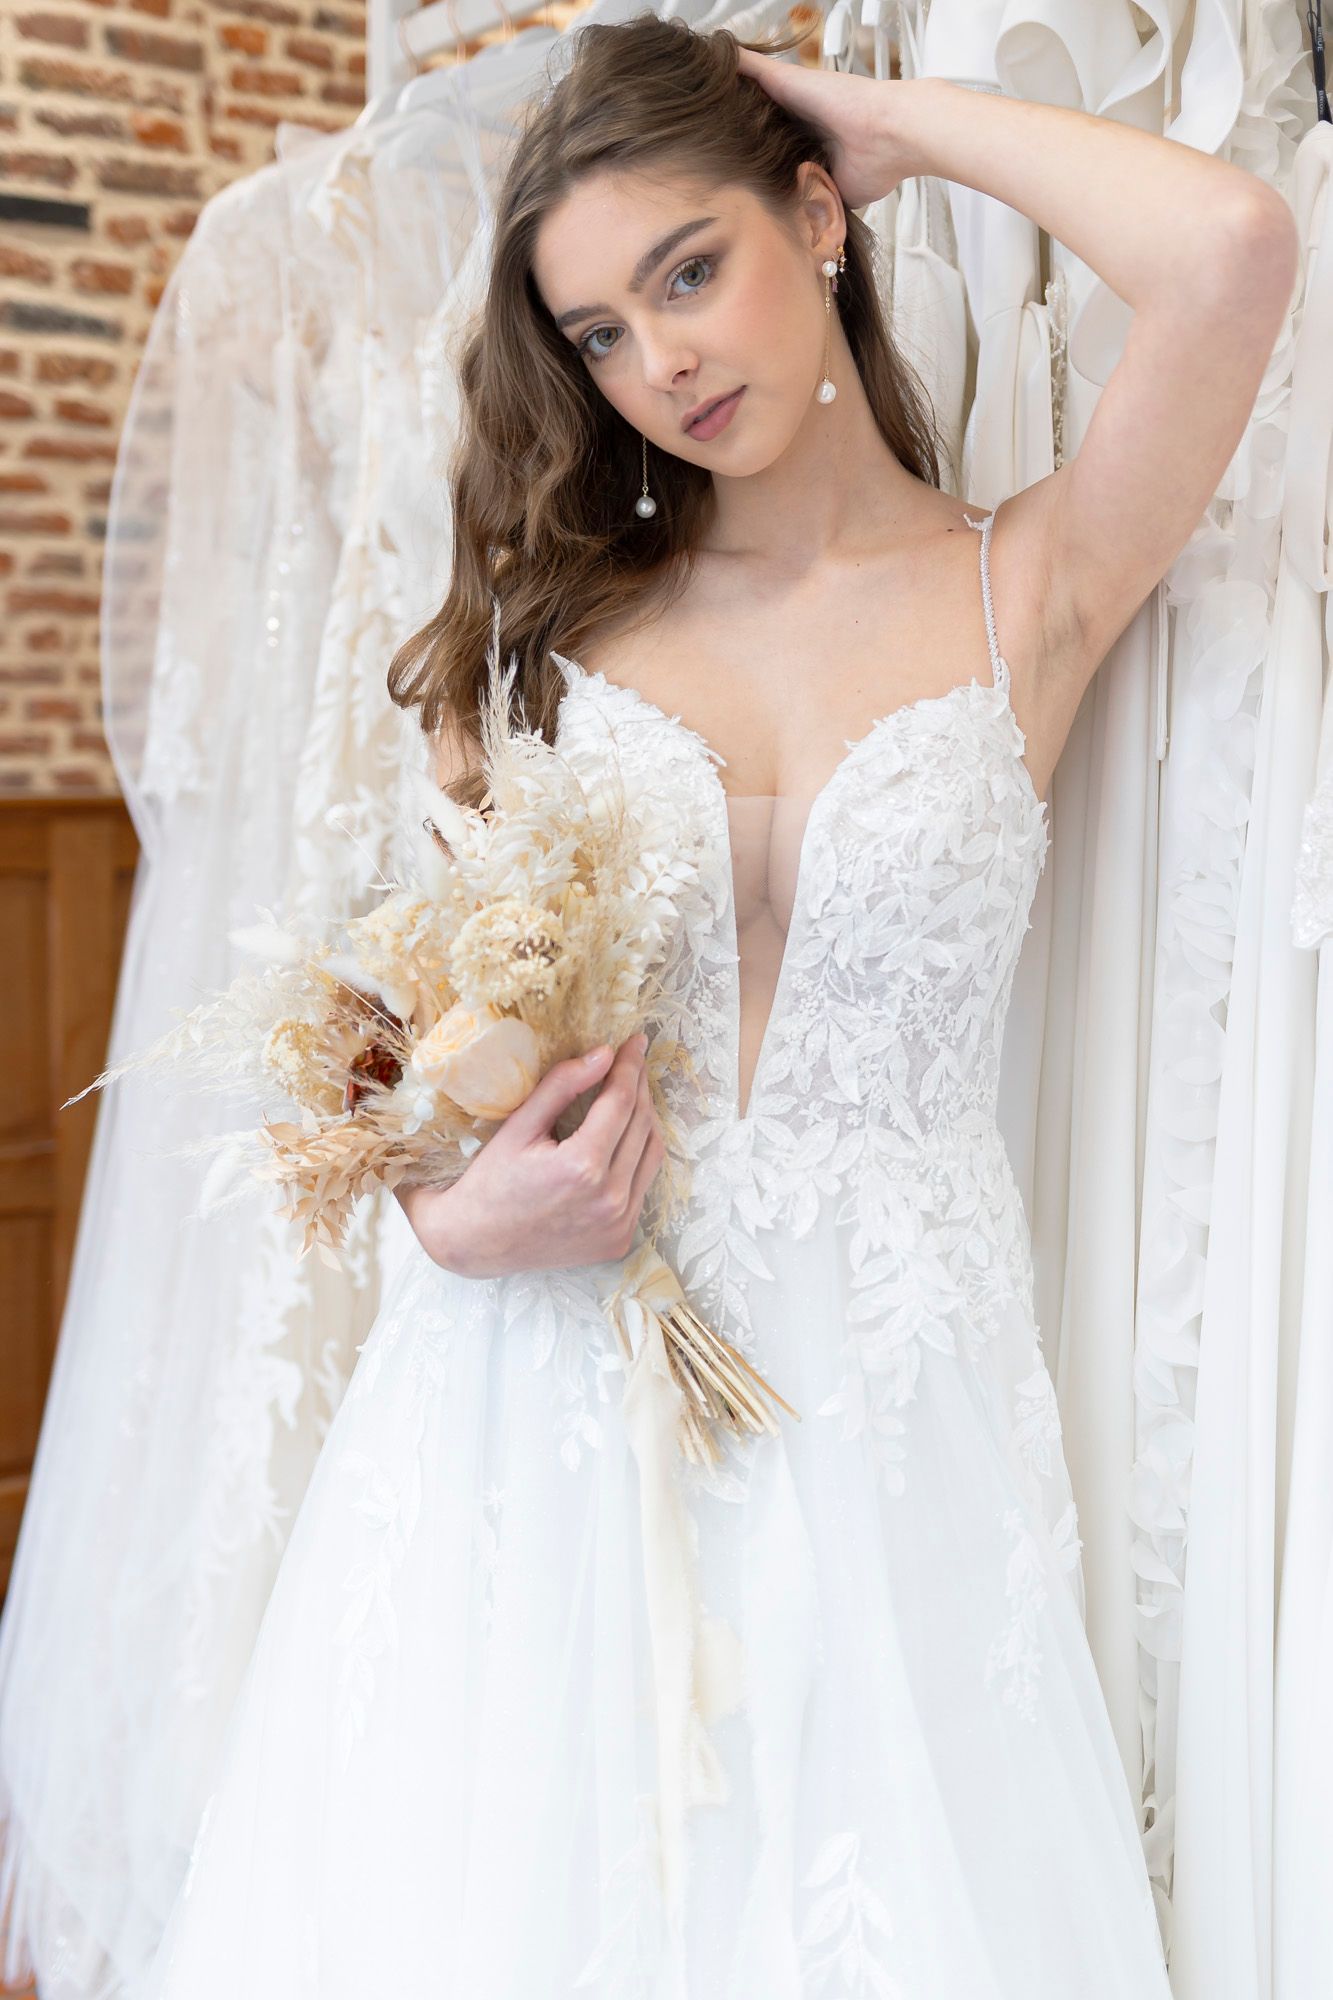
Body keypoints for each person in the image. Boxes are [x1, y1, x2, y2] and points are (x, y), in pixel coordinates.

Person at [138, 15, 1297, 1997]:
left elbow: (1231, 249)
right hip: (534, 1404)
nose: (659, 359)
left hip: (893, 1401)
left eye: (691, 267)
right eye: (595, 329)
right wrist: (446, 1214)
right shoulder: (545, 629)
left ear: (817, 218)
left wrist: (867, 114)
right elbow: (381, 1054)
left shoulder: (1033, 583)